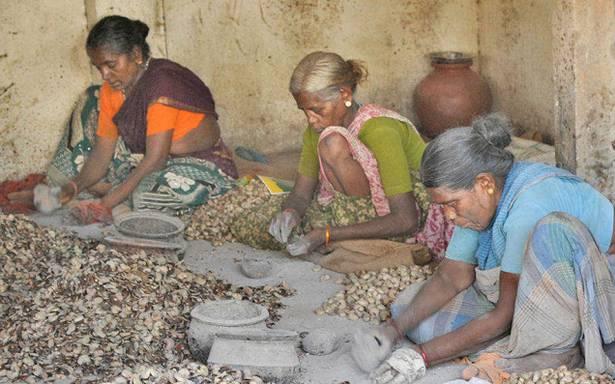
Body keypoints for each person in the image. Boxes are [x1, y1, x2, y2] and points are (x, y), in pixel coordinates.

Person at [351, 113, 615, 382]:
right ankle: (524, 341)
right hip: (523, 292)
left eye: (452, 204)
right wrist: (392, 330)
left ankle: (560, 350)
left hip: (597, 286)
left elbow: (503, 314)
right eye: (442, 206)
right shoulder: (477, 204)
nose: (448, 216)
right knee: (409, 310)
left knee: (553, 230)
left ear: (485, 183)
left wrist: (421, 356)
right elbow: (451, 277)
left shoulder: (526, 208)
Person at [232, 51, 452, 258]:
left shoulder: (380, 129)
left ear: (344, 94)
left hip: (410, 212)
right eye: (304, 111)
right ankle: (344, 233)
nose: (311, 119)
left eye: (317, 110)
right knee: (254, 225)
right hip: (348, 209)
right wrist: (290, 213)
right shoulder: (315, 129)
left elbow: (406, 219)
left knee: (332, 144)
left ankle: (349, 234)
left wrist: (327, 234)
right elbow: (301, 194)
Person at [36, 15, 237, 222]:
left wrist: (103, 205)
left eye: (111, 64)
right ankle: (113, 191)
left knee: (147, 194)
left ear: (136, 54)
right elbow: (102, 153)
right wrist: (73, 186)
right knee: (90, 100)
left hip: (199, 163)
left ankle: (113, 193)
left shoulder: (162, 87)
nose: (105, 74)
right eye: (98, 67)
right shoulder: (111, 90)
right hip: (148, 158)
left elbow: (155, 160)